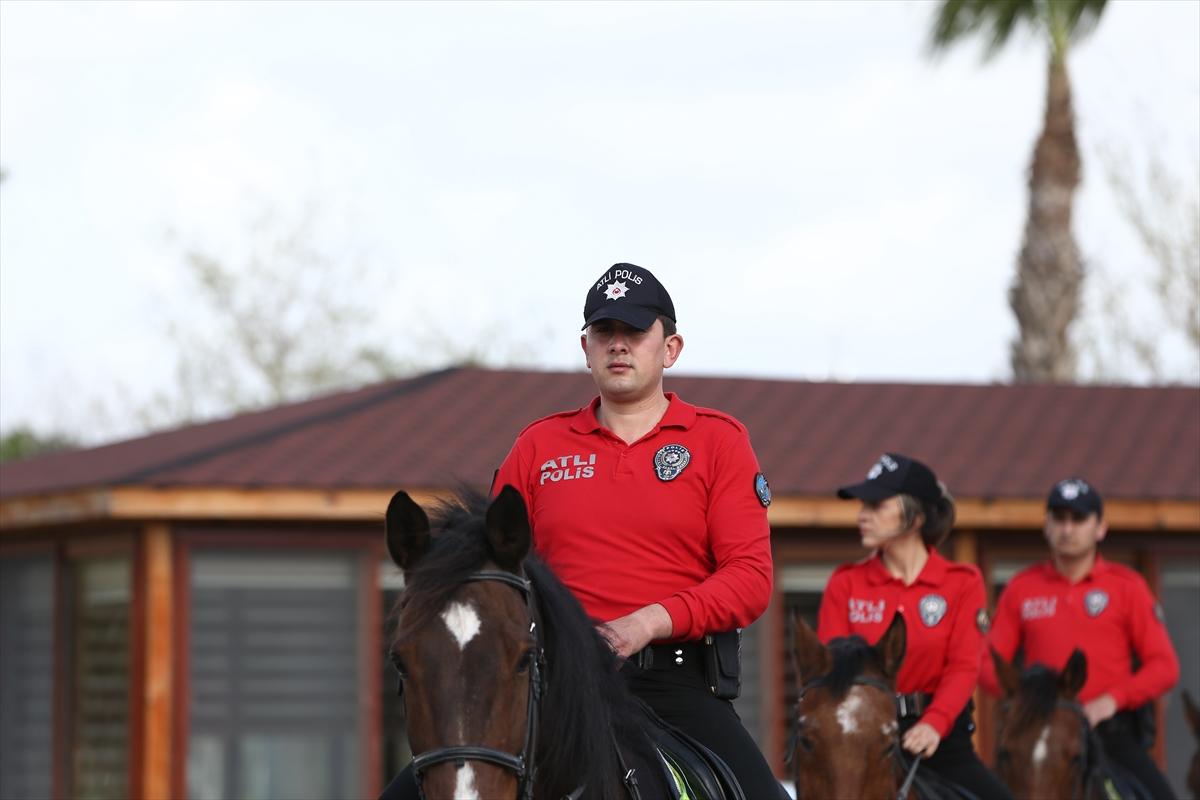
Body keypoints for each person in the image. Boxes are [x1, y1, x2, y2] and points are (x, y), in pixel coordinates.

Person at [491, 263, 785, 798]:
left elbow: (749, 578)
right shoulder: (537, 446)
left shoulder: (719, 441)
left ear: (670, 348)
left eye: (635, 332)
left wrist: (650, 621)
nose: (618, 346)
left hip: (673, 685)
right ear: (586, 348)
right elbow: (493, 570)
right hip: (551, 687)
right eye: (605, 333)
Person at [818, 453, 1012, 800]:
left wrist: (935, 723)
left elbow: (964, 666)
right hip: (861, 738)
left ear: (916, 516)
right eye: (863, 505)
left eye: (876, 505)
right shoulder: (844, 583)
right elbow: (833, 673)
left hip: (941, 741)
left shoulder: (963, 583)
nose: (862, 515)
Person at [981, 477, 1180, 799]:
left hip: (1108, 733)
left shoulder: (1127, 586)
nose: (1068, 529)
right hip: (1038, 733)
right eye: (1059, 519)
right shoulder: (1021, 588)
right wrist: (1025, 697)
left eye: (1079, 519)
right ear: (1046, 526)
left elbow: (1164, 667)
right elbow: (987, 664)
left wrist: (1111, 700)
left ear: (1100, 527)